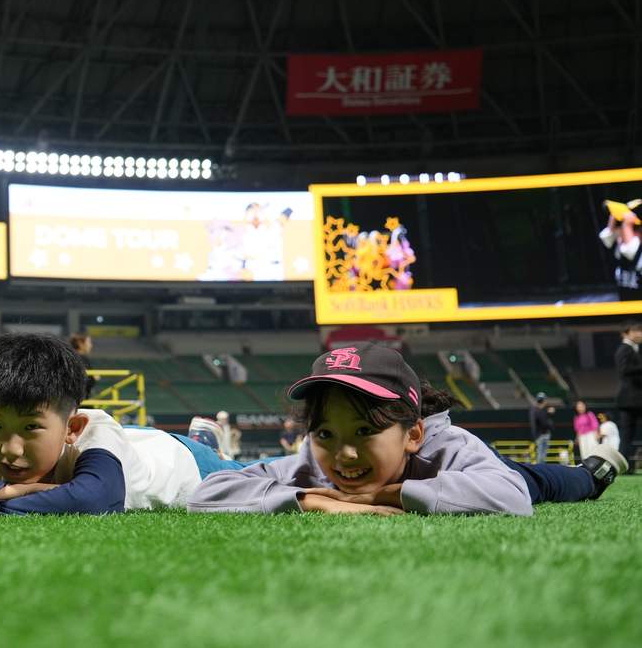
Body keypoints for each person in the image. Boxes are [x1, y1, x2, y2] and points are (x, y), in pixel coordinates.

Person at [187, 344, 627, 516]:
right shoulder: (310, 462)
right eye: (326, 435)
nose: (344, 455)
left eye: (364, 431)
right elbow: (206, 494)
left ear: (413, 434)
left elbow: (510, 497)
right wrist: (317, 501)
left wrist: (384, 494)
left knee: (544, 480)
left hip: (490, 472)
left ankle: (593, 472)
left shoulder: (447, 445)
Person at [0, 333, 245, 515]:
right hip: (132, 446)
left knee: (263, 472)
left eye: (30, 429)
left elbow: (92, 500)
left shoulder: (94, 434)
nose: (10, 448)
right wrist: (11, 491)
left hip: (181, 460)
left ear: (72, 428)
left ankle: (207, 443)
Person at [599, 203, 642, 300]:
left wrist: (627, 224)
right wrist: (614, 219)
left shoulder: (632, 250)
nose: (622, 231)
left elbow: (631, 251)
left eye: (632, 227)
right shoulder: (622, 248)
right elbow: (607, 239)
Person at [614, 322, 642, 466]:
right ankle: (623, 465)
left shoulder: (634, 349)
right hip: (630, 400)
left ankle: (625, 466)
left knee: (627, 434)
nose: (640, 334)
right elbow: (624, 370)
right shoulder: (624, 349)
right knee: (626, 435)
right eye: (637, 331)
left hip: (633, 399)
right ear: (627, 333)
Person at [529, 393, 553, 464]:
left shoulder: (536, 410)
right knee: (541, 456)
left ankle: (540, 470)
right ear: (543, 400)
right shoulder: (538, 410)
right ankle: (540, 471)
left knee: (542, 455)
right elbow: (544, 423)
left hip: (540, 434)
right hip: (541, 435)